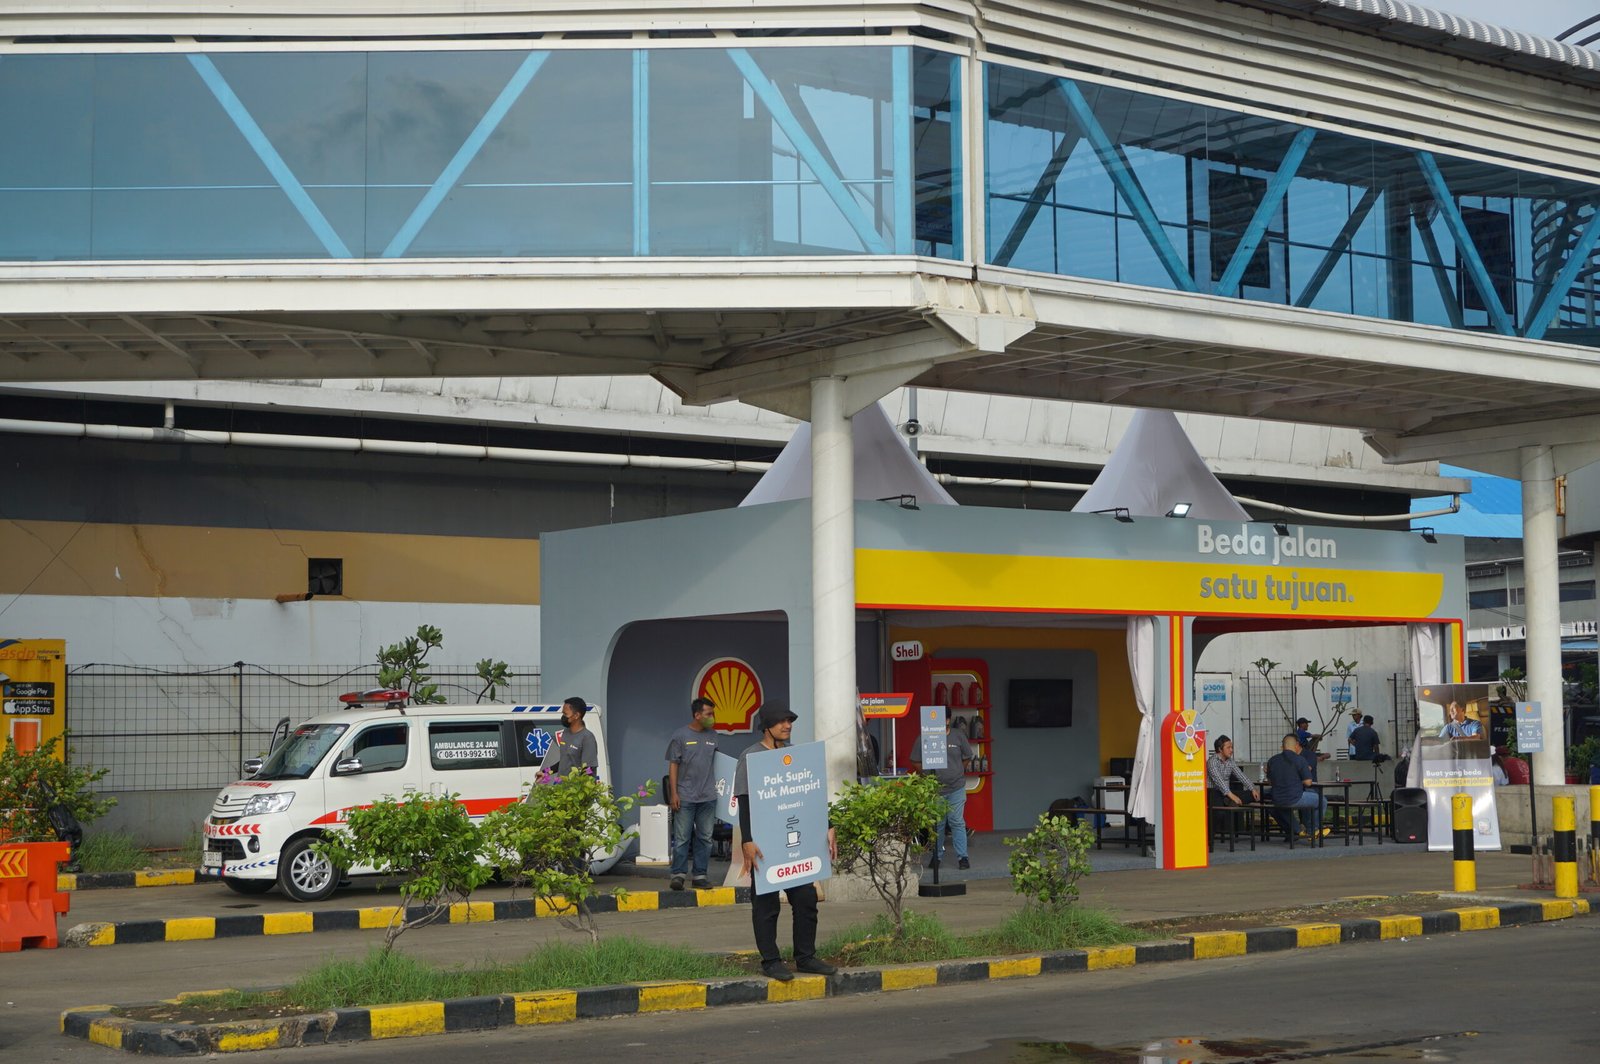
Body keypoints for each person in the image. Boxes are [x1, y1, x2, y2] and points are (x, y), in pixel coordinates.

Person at [735, 702, 837, 982]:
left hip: (796, 844)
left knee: (806, 899)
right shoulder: (750, 757)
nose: (787, 725)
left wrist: (828, 826)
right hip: (765, 844)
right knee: (766, 905)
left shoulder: (795, 754)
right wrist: (747, 840)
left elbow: (811, 795)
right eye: (781, 721)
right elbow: (744, 802)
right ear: (766, 726)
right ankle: (770, 961)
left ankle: (805, 957)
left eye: (790, 721)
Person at [665, 696, 719, 891]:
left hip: (708, 797)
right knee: (682, 838)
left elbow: (717, 763)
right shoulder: (680, 736)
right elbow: (673, 765)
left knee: (705, 838)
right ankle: (678, 875)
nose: (712, 717)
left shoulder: (713, 736)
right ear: (697, 715)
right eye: (709, 714)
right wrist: (674, 793)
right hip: (685, 796)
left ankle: (700, 875)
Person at [910, 708, 975, 869]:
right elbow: (915, 761)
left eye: (940, 719)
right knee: (938, 824)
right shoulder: (924, 737)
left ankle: (963, 858)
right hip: (936, 790)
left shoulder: (958, 735)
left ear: (947, 720)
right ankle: (936, 856)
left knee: (956, 821)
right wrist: (928, 776)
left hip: (956, 787)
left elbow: (967, 756)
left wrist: (957, 770)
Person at [1265, 733, 1328, 839]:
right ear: (1296, 745)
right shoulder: (1300, 759)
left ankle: (1297, 831)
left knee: (1281, 807)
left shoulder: (1272, 760)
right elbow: (1308, 782)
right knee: (1322, 801)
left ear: (1282, 746)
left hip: (1277, 799)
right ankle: (1314, 830)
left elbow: (1270, 782)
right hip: (1295, 797)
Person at [542, 696, 599, 777]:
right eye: (563, 713)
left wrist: (578, 784)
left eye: (565, 714)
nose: (563, 717)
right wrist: (545, 772)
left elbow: (589, 770)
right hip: (561, 784)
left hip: (575, 785)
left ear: (576, 715)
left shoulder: (587, 738)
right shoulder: (565, 733)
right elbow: (564, 762)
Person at [1206, 735, 1259, 806]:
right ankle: (1229, 801)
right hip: (1214, 793)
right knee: (1216, 795)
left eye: (1232, 747)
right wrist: (1232, 796)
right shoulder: (1212, 762)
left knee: (1252, 795)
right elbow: (1220, 782)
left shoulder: (1230, 761)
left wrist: (1252, 789)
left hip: (1227, 794)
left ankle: (1229, 801)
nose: (1231, 750)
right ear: (1220, 749)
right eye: (1228, 748)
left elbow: (1241, 776)